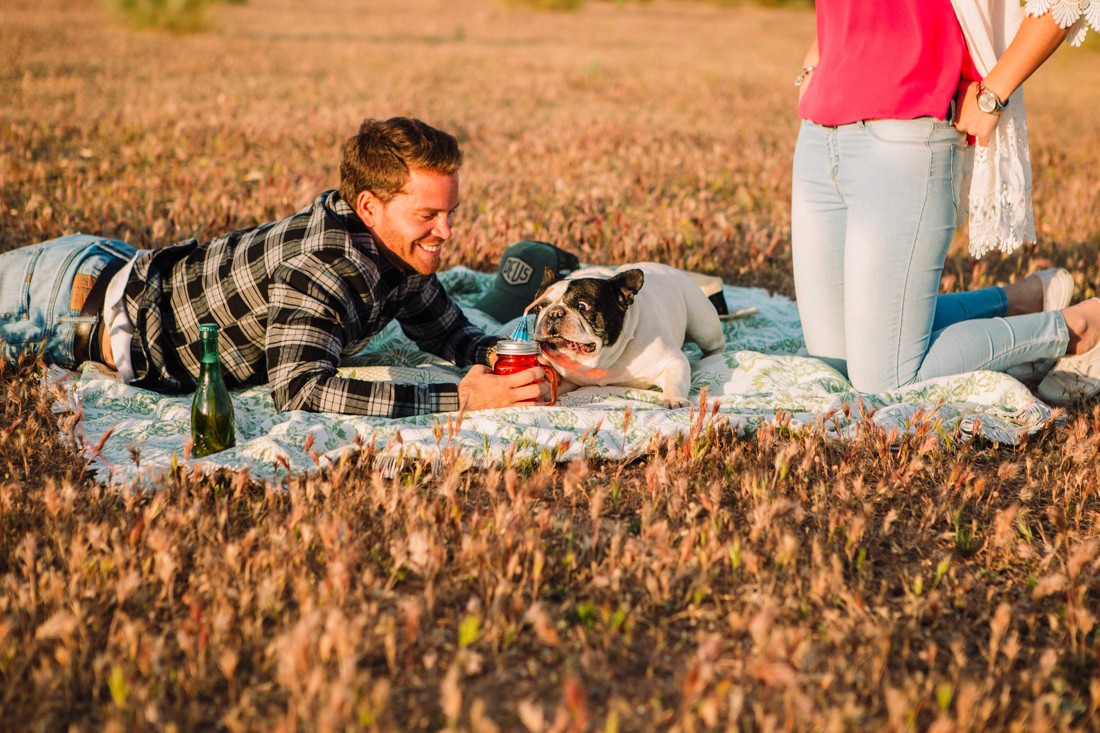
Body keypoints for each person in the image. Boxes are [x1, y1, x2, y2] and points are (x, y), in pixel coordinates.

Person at [0, 117, 552, 418]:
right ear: (369, 206)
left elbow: (449, 331)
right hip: (60, 301)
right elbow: (303, 390)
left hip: (116, 266)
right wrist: (461, 398)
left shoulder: (398, 248)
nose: (446, 232)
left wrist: (518, 364)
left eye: (450, 213)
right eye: (428, 214)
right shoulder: (324, 269)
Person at [791, 0, 1100, 406]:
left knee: (884, 381)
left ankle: (1079, 328)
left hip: (906, 133)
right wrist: (820, 57)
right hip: (820, 134)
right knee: (834, 363)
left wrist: (995, 91)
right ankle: (1019, 301)